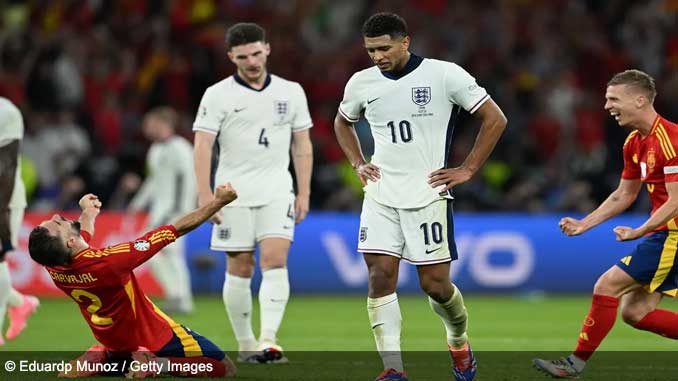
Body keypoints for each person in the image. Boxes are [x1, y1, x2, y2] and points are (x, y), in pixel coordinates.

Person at [334, 13, 507, 381]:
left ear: (405, 42)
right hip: (381, 193)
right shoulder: (361, 82)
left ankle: (458, 340)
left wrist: (468, 169)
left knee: (436, 286)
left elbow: (495, 118)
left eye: (384, 48)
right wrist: (357, 162)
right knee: (380, 275)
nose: (377, 56)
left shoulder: (444, 75)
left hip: (428, 194)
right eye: (370, 50)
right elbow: (342, 121)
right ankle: (393, 369)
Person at [533, 70, 678, 378]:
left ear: (639, 100)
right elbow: (624, 194)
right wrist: (585, 224)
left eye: (614, 99)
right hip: (664, 233)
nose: (607, 106)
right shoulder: (634, 142)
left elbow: (676, 201)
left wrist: (639, 231)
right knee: (635, 312)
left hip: (673, 235)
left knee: (607, 286)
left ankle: (574, 364)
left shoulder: (670, 141)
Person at [193, 22, 313, 363]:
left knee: (275, 261)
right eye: (243, 56)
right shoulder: (217, 94)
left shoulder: (291, 92)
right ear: (231, 57)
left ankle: (269, 340)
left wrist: (303, 192)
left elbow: (302, 145)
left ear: (268, 49)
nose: (252, 61)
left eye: (257, 53)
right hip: (232, 193)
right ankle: (245, 344)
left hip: (277, 189)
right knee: (240, 267)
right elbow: (203, 145)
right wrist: (205, 195)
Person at [27, 184, 238, 378]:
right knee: (222, 367)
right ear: (70, 241)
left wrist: (88, 213)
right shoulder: (111, 261)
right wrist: (218, 202)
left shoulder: (53, 264)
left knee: (120, 355)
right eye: (56, 223)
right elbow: (175, 230)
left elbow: (81, 237)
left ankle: (101, 360)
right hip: (152, 336)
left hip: (114, 342)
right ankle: (157, 364)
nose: (55, 215)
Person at [128, 107, 196, 314]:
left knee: (169, 253)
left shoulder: (180, 148)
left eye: (150, 124)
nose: (147, 128)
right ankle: (176, 295)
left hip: (175, 211)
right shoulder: (155, 149)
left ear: (163, 124)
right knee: (154, 253)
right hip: (159, 211)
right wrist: (137, 203)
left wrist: (183, 209)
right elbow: (154, 181)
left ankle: (181, 298)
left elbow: (189, 179)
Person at [0, 96, 40, 346]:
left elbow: (8, 166)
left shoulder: (6, 112)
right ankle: (20, 302)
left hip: (4, 198)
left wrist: (2, 212)